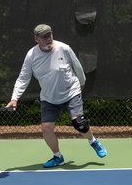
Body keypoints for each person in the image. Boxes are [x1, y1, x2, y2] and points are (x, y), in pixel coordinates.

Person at [6, 24, 107, 168]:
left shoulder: (64, 48)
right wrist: (14, 98)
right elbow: (23, 78)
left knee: (79, 123)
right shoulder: (31, 55)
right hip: (49, 98)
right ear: (36, 39)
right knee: (46, 129)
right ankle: (58, 157)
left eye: (50, 35)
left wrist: (81, 84)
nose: (48, 39)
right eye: (44, 37)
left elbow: (77, 67)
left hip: (71, 92)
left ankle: (93, 141)